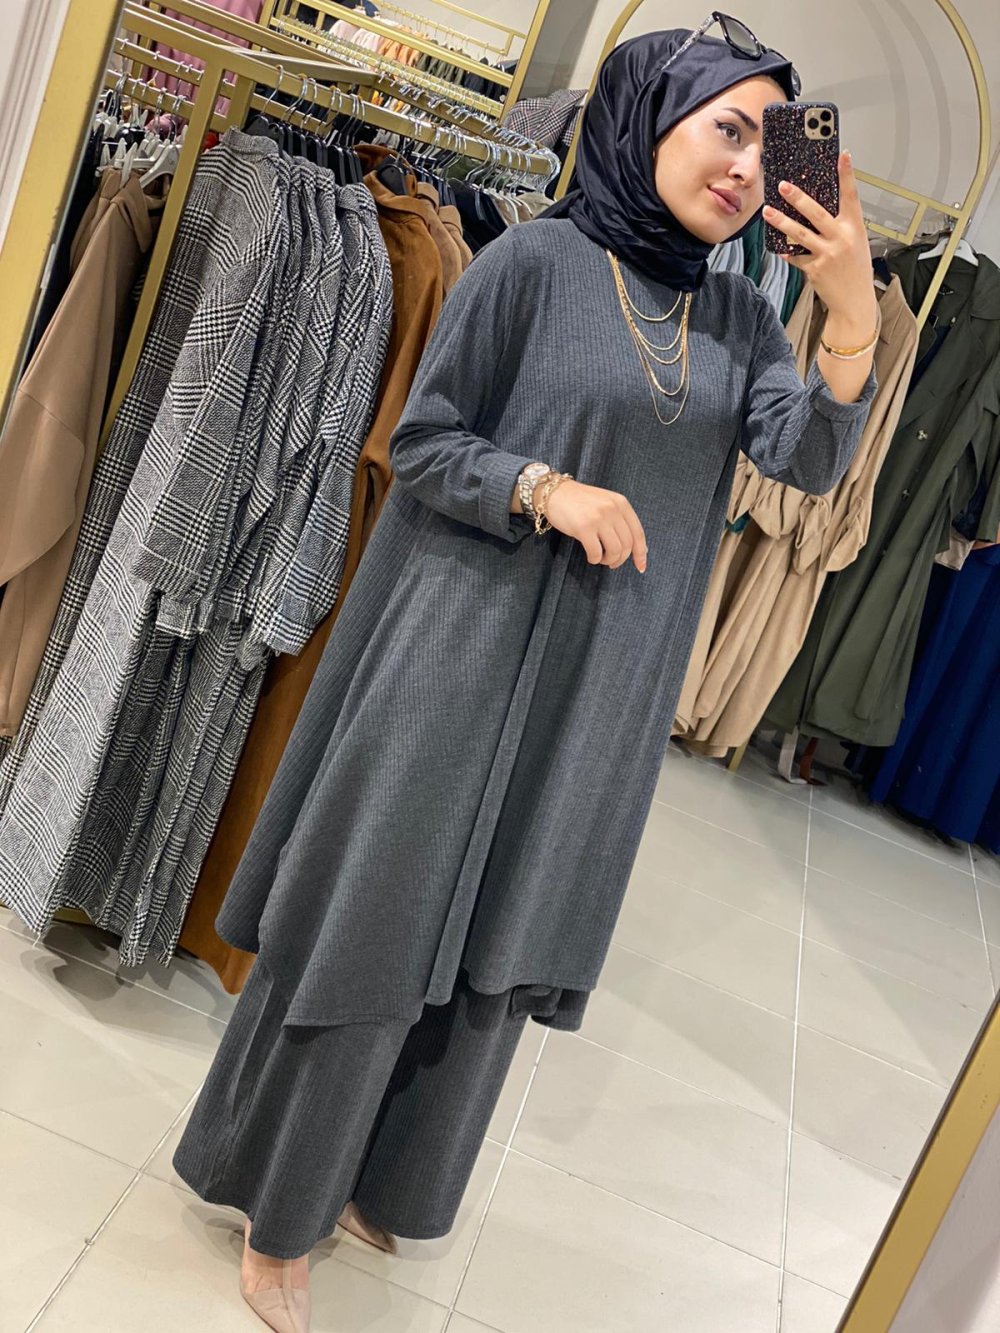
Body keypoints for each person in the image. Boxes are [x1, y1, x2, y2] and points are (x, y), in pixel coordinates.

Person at [174, 22, 878, 1331]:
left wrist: (849, 312)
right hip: (461, 649)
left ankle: (389, 1180)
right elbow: (422, 440)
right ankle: (278, 1205)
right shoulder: (534, 263)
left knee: (503, 934)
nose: (746, 165)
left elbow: (809, 460)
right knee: (383, 920)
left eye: (770, 141)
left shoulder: (738, 315)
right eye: (726, 127)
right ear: (648, 120)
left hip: (599, 689)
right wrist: (545, 488)